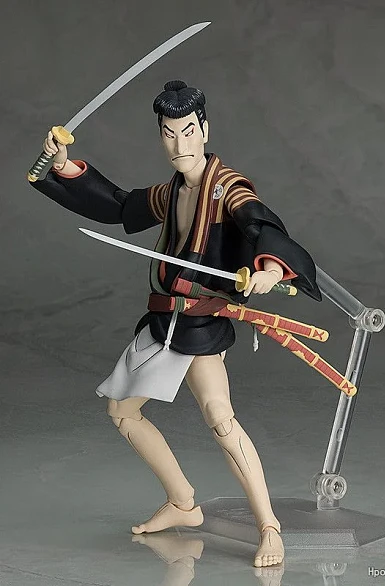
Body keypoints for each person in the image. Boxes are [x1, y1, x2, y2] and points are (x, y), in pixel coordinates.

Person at [30, 80, 322, 567]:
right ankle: (183, 502)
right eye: (169, 134)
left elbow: (260, 223)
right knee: (122, 412)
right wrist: (63, 166)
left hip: (200, 324)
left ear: (204, 130)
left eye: (188, 131)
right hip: (164, 320)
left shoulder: (227, 187)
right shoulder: (172, 192)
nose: (179, 144)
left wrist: (271, 269)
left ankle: (269, 527)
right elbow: (119, 205)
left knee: (221, 419)